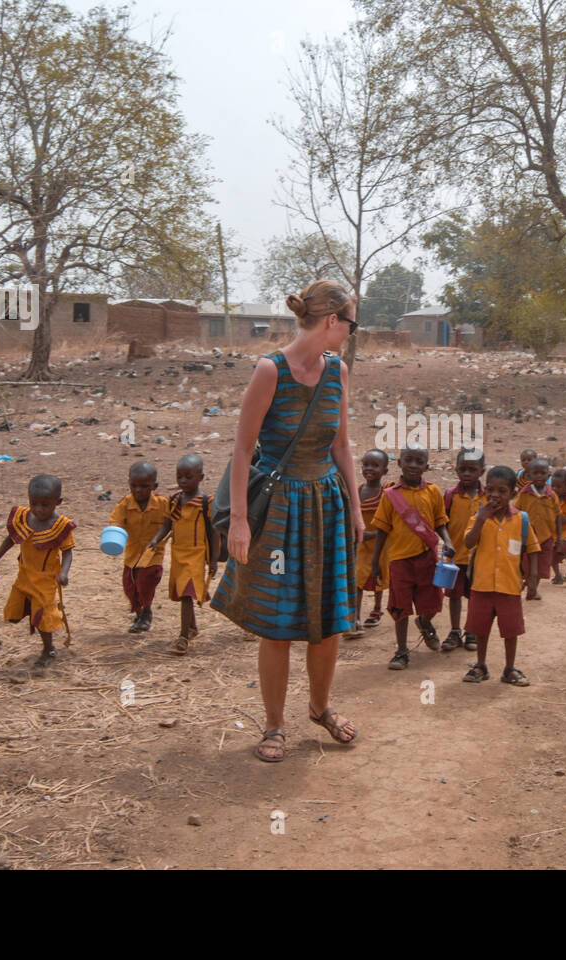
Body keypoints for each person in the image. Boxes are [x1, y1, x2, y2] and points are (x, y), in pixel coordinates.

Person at [212, 279, 362, 762]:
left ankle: (320, 709)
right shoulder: (269, 371)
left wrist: (356, 507)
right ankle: (274, 726)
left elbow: (341, 444)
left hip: (327, 505)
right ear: (332, 321)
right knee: (277, 624)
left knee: (329, 618)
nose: (352, 333)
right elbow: (241, 448)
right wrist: (239, 521)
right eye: (351, 324)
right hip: (278, 512)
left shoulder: (337, 371)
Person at [367, 444, 454, 669]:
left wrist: (449, 541)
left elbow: (440, 521)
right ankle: (401, 651)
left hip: (427, 557)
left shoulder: (433, 491)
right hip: (399, 560)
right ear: (399, 463)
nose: (413, 465)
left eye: (419, 461)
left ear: (427, 465)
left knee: (432, 603)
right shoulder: (390, 495)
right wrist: (376, 562)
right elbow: (382, 530)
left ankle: (425, 624)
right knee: (400, 607)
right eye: (409, 460)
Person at [0, 474, 75, 670]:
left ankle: (48, 649)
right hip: (24, 576)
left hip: (45, 580)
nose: (38, 509)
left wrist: (64, 573)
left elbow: (67, 553)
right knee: (13, 614)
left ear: (57, 502)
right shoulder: (24, 518)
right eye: (34, 503)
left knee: (42, 617)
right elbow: (11, 539)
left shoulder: (60, 527)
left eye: (45, 504)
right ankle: (34, 614)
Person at [461, 466, 541, 686]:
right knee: (480, 628)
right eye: (491, 490)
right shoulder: (478, 516)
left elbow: (533, 548)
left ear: (513, 494)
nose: (495, 495)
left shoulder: (520, 519)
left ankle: (509, 668)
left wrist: (533, 578)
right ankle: (480, 665)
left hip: (509, 586)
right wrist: (480, 519)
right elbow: (468, 542)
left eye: (502, 491)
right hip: (482, 585)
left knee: (510, 630)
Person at [147, 453, 219, 655]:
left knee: (187, 593)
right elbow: (167, 525)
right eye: (179, 477)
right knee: (183, 591)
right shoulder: (174, 500)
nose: (183, 481)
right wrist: (156, 539)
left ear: (201, 477)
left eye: (189, 477)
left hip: (196, 555)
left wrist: (213, 559)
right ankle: (192, 627)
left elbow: (214, 532)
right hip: (178, 553)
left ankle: (183, 637)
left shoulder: (206, 502)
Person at [108, 461, 169, 633]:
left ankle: (146, 613)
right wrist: (114, 535)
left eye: (144, 486)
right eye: (134, 486)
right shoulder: (125, 504)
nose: (138, 490)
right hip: (132, 554)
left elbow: (171, 521)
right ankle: (139, 612)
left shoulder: (162, 503)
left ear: (154, 486)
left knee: (146, 583)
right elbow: (115, 522)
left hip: (152, 555)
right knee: (129, 586)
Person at [442, 447, 486, 653]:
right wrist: (447, 542)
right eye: (463, 469)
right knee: (454, 595)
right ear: (456, 470)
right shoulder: (451, 495)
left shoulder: (488, 496)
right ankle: (454, 630)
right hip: (455, 555)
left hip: (480, 557)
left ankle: (471, 631)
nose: (467, 473)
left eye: (472, 469)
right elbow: (442, 522)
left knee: (475, 595)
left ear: (482, 471)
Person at [351, 449, 391, 637]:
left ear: (385, 470)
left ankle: (376, 608)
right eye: (366, 464)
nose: (369, 469)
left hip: (380, 543)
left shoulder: (387, 493)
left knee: (378, 577)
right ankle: (356, 618)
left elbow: (390, 522)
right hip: (360, 543)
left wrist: (373, 534)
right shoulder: (357, 490)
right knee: (357, 579)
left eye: (375, 466)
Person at [515, 457, 559, 600]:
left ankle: (532, 589)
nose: (539, 476)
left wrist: (560, 537)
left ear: (548, 474)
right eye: (535, 473)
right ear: (529, 475)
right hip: (527, 537)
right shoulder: (524, 493)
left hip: (546, 536)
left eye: (543, 473)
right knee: (526, 566)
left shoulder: (552, 495)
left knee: (541, 567)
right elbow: (515, 512)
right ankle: (528, 585)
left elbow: (558, 515)